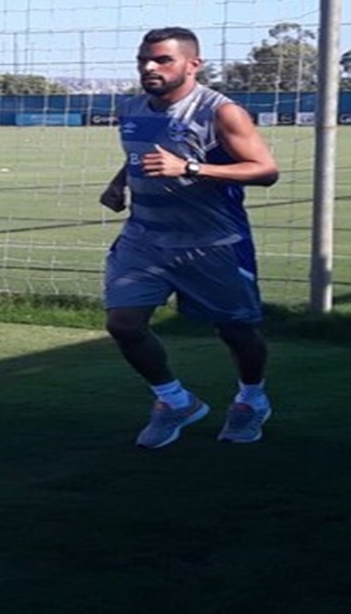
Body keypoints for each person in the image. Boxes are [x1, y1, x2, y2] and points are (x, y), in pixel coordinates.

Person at [99, 26, 280, 449]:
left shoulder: (221, 111)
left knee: (236, 330)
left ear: (192, 64)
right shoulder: (130, 108)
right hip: (145, 238)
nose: (149, 67)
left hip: (212, 242)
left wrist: (192, 169)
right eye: (144, 59)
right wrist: (119, 182)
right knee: (123, 324)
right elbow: (143, 156)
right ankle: (173, 400)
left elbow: (265, 170)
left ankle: (252, 399)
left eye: (162, 59)